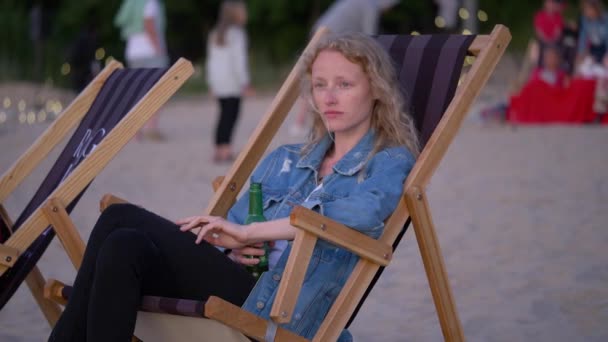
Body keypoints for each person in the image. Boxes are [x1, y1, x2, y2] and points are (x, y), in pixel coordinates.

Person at [48, 32, 419, 342]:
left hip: (283, 312)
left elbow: (363, 214)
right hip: (243, 285)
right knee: (122, 244)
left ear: (376, 90)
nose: (329, 97)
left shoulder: (389, 161)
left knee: (118, 217)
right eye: (320, 85)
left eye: (344, 84)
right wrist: (234, 251)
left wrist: (251, 231)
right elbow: (233, 231)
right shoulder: (287, 158)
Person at [290, 0, 399, 137]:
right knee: (320, 79)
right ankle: (303, 123)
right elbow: (371, 39)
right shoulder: (370, 7)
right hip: (330, 36)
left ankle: (300, 123)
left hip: (320, 30)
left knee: (317, 80)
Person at [206, 0, 254, 163]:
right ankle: (226, 149)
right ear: (236, 14)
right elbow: (239, 61)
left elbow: (211, 61)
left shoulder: (215, 33)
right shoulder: (237, 34)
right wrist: (245, 82)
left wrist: (211, 83)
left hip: (219, 82)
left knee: (222, 115)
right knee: (231, 115)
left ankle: (218, 149)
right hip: (232, 83)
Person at [114, 0, 169, 141]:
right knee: (158, 90)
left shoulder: (132, 3)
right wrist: (158, 48)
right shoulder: (150, 3)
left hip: (133, 51)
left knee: (138, 91)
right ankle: (151, 128)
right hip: (149, 51)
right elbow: (148, 22)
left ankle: (135, 130)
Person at [577, 0, 608, 65]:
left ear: (595, 8)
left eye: (588, 9)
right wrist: (581, 52)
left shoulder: (605, 19)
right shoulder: (584, 19)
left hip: (604, 46)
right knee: (582, 62)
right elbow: (583, 37)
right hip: (593, 47)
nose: (586, 12)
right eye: (585, 9)